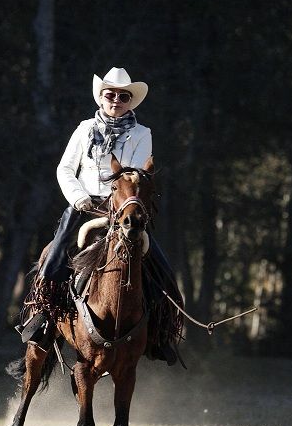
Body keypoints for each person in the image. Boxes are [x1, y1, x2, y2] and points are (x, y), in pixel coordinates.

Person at [18, 67, 182, 365]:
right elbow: (65, 169)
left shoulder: (142, 134)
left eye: (123, 96)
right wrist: (79, 197)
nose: (116, 99)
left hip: (124, 209)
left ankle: (160, 334)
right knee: (53, 260)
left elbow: (135, 174)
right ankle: (43, 320)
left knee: (162, 271)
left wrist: (121, 201)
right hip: (84, 206)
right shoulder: (83, 129)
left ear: (130, 101)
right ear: (102, 97)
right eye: (111, 94)